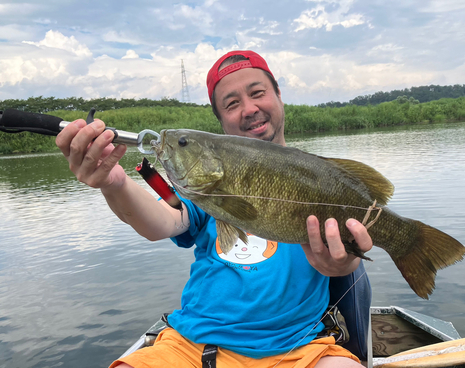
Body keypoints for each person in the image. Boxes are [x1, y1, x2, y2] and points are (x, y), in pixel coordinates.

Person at [56, 50, 373, 368]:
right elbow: (164, 220)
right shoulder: (204, 188)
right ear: (220, 121)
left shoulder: (321, 178)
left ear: (278, 95)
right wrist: (115, 183)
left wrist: (343, 264)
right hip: (194, 347)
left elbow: (345, 261)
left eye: (257, 92)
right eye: (231, 103)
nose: (249, 108)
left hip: (300, 349)